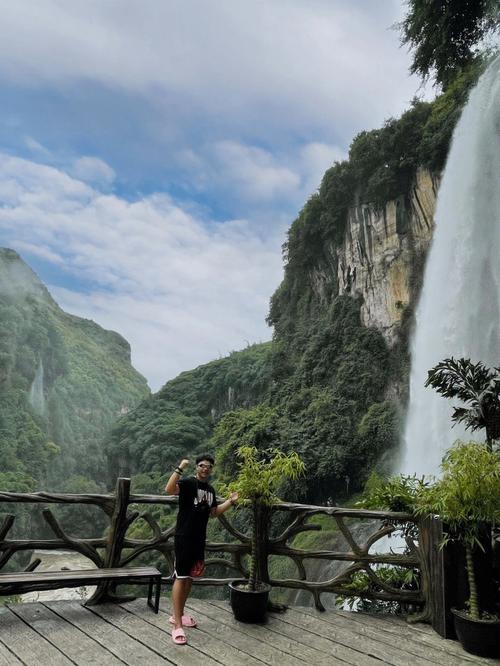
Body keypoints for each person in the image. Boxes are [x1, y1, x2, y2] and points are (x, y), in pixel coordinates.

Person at [165, 453, 238, 645]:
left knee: (189, 579)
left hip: (199, 540)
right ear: (197, 467)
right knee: (180, 578)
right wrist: (180, 467)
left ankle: (178, 615)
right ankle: (176, 625)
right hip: (184, 537)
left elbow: (214, 513)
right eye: (202, 465)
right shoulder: (189, 483)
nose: (205, 469)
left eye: (209, 467)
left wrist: (230, 501)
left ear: (211, 469)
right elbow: (169, 489)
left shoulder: (210, 490)